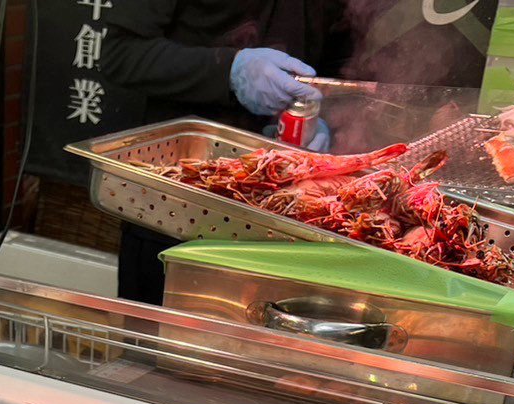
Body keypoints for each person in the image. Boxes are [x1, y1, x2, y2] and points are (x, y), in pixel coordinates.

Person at [100, 0, 351, 303]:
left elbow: (343, 65)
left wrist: (327, 117)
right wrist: (229, 70)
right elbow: (122, 54)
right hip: (175, 206)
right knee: (157, 343)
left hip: (282, 219)